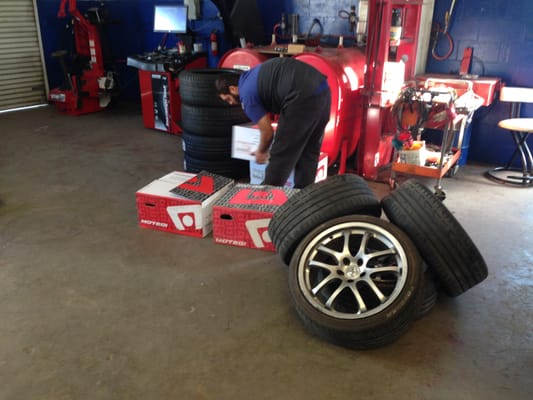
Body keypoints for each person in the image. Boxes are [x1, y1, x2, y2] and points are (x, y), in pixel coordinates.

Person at [215, 57, 331, 188]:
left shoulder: (246, 96)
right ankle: (303, 197)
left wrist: (261, 151)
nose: (231, 103)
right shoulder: (252, 76)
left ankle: (265, 200)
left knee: (281, 155)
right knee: (309, 152)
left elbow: (267, 132)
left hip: (301, 96)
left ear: (233, 89)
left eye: (228, 99)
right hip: (323, 89)